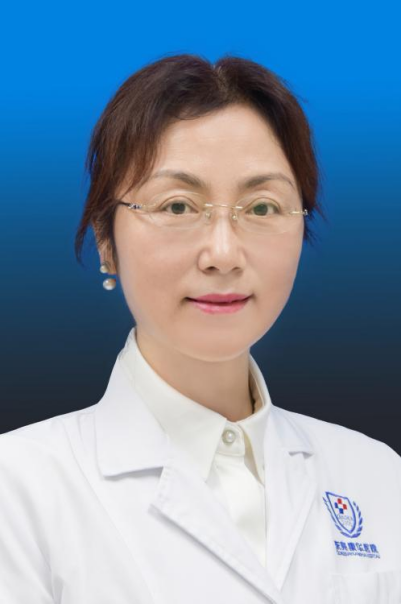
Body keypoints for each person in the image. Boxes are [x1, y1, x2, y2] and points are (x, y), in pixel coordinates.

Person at [0, 53, 400, 604]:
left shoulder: (376, 477)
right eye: (177, 206)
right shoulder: (20, 488)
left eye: (262, 207)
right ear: (106, 241)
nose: (223, 253)